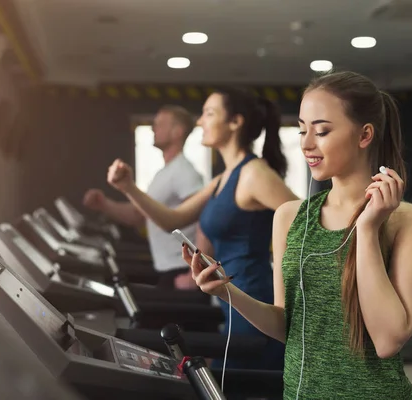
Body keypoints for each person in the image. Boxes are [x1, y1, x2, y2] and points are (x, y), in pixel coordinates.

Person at [184, 71, 412, 399]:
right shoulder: (289, 217)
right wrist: (227, 292)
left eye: (321, 131)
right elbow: (285, 326)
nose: (306, 144)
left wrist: (367, 228)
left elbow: (388, 340)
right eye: (303, 130)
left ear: (364, 135)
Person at [106, 88, 299, 371]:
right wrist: (128, 188)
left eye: (209, 113)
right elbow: (173, 219)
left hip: (254, 301)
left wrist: (289, 270)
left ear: (235, 122)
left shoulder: (254, 173)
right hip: (231, 301)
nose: (199, 122)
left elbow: (308, 220)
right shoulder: (225, 178)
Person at [83, 105, 205, 289]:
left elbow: (204, 220)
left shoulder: (185, 172)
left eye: (160, 124)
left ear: (177, 132)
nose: (153, 128)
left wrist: (193, 275)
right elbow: (137, 215)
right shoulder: (164, 173)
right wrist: (104, 204)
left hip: (182, 269)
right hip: (166, 267)